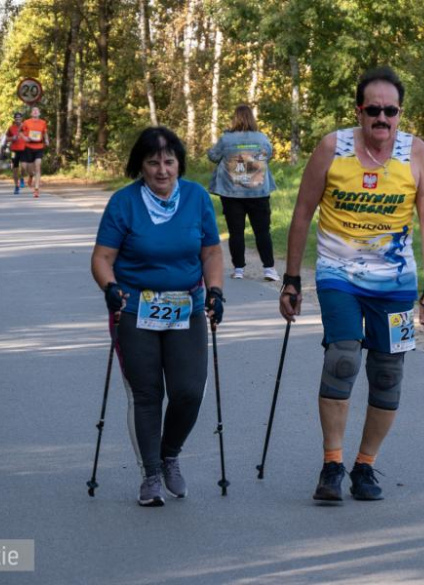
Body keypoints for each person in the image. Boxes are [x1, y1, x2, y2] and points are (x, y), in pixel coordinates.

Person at [279, 66, 424, 503]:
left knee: (388, 374)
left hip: (395, 283)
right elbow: (301, 214)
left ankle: (364, 467)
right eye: (374, 110)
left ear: (399, 113)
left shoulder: (415, 153)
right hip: (339, 275)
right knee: (344, 358)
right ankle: (332, 464)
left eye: (391, 111)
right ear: (359, 110)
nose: (383, 119)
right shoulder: (334, 147)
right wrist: (292, 279)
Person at [91, 126, 224, 507]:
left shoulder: (197, 198)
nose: (162, 170)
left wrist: (215, 290)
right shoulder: (124, 203)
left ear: (179, 163)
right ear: (141, 166)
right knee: (147, 393)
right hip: (135, 308)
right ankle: (150, 474)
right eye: (153, 162)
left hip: (187, 307)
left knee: (188, 391)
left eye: (169, 161)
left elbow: (212, 253)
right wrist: (110, 287)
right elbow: (102, 258)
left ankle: (170, 454)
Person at [207, 104, 279, 281]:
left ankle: (239, 269)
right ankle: (269, 268)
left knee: (236, 232)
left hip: (232, 193)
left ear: (235, 119)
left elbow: (213, 156)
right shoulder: (262, 138)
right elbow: (268, 155)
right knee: (262, 231)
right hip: (259, 192)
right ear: (252, 118)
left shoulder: (226, 139)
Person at [19, 106, 49, 198]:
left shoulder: (43, 123)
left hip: (39, 147)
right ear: (31, 113)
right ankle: (31, 176)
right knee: (27, 168)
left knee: (38, 165)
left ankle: (36, 190)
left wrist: (47, 140)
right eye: (34, 110)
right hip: (28, 147)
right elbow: (20, 132)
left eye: (37, 110)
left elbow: (45, 133)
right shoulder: (26, 122)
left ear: (39, 113)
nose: (35, 112)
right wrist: (25, 138)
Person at [5, 112, 26, 194]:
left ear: (22, 119)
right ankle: (16, 186)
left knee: (24, 166)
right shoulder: (11, 128)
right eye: (16, 119)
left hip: (24, 149)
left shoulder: (25, 127)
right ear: (14, 119)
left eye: (19, 118)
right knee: (15, 169)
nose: (18, 120)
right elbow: (6, 139)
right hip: (14, 150)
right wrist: (12, 138)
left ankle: (22, 178)